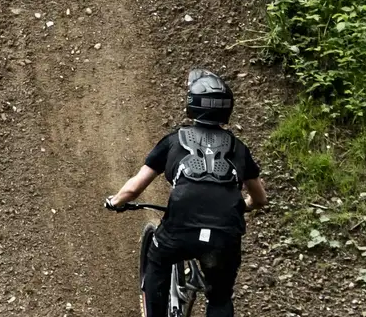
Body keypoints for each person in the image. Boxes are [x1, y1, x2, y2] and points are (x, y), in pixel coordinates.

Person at [106, 69, 267, 317]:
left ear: (192, 105)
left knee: (157, 266)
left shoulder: (174, 141)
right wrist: (241, 205)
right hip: (224, 235)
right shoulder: (239, 149)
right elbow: (260, 199)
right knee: (220, 297)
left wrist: (115, 202)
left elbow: (135, 187)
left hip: (180, 230)